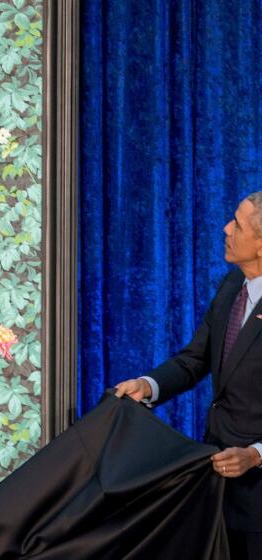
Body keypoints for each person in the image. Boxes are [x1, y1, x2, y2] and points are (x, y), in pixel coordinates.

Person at [116, 192, 262, 559]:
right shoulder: (231, 287)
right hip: (218, 485)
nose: (226, 229)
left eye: (238, 225)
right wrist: (147, 386)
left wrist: (256, 455)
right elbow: (194, 360)